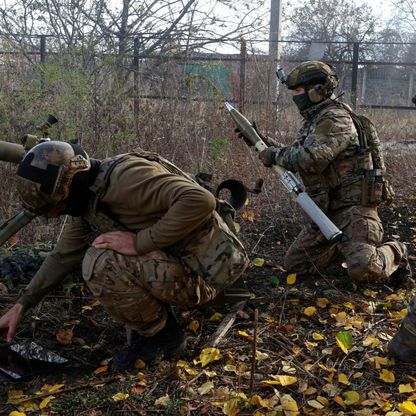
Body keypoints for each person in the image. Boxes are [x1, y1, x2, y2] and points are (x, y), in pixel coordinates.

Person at [0, 141, 249, 369]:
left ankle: (166, 339)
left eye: (56, 208)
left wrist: (139, 242)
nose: (54, 216)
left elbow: (201, 200)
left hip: (206, 276)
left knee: (100, 261)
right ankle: (157, 326)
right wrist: (23, 304)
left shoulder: (126, 180)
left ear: (69, 190)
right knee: (99, 254)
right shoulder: (90, 197)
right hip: (188, 267)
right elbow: (63, 256)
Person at [251, 60, 412, 286]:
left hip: (353, 212)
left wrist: (275, 155)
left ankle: (396, 251)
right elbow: (301, 153)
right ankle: (345, 249)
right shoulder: (316, 119)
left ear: (318, 91)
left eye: (298, 91)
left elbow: (311, 159)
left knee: (365, 270)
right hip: (326, 214)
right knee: (297, 265)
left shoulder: (335, 118)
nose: (295, 96)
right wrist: (264, 144)